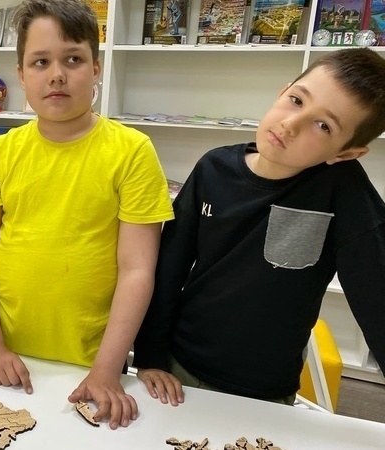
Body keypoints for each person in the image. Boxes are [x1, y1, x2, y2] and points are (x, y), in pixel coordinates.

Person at [0, 0, 174, 430]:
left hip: (92, 362)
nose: (56, 74)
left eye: (73, 59)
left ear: (96, 68)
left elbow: (137, 270)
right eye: (40, 62)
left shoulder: (132, 151)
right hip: (5, 356)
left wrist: (106, 369)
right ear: (21, 75)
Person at [134, 48, 385, 407]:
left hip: (266, 390)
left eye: (323, 126)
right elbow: (169, 267)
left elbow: (377, 296)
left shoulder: (343, 192)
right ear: (283, 91)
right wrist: (150, 357)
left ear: (345, 153)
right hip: (179, 369)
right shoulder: (212, 169)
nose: (291, 124)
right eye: (296, 100)